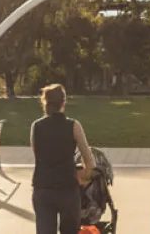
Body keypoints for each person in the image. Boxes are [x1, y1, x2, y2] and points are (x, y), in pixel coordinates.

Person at [30, 84, 96, 234]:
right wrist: (84, 177)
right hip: (67, 189)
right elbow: (89, 161)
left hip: (43, 189)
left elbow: (38, 156)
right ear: (64, 102)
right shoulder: (73, 126)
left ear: (44, 103)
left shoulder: (36, 126)